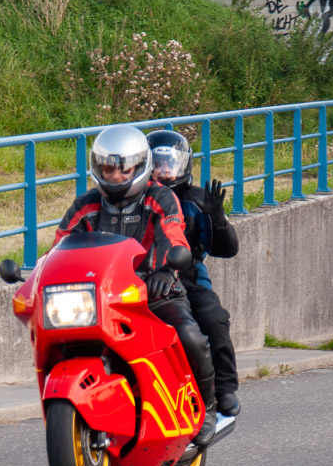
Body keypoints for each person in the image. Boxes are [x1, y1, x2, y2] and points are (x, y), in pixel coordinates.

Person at [54, 124, 219, 445]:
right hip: (103, 297)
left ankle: (208, 406)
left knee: (190, 336)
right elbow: (59, 247)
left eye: (123, 168)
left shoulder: (160, 197)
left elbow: (173, 233)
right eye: (108, 169)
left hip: (155, 291)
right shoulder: (85, 206)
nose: (115, 175)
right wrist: (37, 277)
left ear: (140, 167)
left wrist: (166, 271)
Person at [145, 129, 241, 417]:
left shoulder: (197, 199)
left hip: (189, 276)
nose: (164, 171)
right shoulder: (136, 198)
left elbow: (227, 249)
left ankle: (224, 389)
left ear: (184, 164)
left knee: (214, 317)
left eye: (169, 163)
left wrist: (216, 219)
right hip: (142, 276)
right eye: (157, 164)